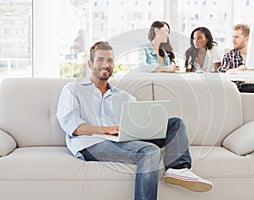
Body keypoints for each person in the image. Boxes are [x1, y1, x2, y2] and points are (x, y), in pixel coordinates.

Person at [56, 41, 213, 200]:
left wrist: (147, 125)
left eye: (110, 60)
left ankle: (178, 169)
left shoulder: (124, 96)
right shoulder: (73, 89)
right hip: (91, 143)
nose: (106, 65)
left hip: (122, 140)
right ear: (90, 64)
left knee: (175, 124)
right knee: (150, 151)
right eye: (100, 60)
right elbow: (73, 126)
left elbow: (138, 123)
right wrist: (106, 129)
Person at [218, 24, 254, 124]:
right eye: (233, 37)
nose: (233, 40)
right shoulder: (230, 55)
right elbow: (222, 72)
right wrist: (237, 70)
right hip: (240, 87)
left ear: (246, 39)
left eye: (236, 37)